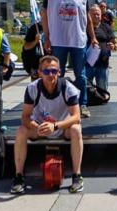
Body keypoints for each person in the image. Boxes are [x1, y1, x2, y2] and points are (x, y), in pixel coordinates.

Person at [11, 55, 83, 194]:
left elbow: (76, 116)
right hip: (40, 128)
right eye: (46, 71)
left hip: (62, 128)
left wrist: (55, 126)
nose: (50, 75)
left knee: (76, 129)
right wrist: (37, 127)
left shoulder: (68, 88)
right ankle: (18, 176)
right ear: (39, 73)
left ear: (59, 72)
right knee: (21, 131)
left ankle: (77, 176)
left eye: (54, 71)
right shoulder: (32, 88)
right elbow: (25, 117)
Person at [42, 0, 97, 119]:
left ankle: (82, 104)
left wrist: (92, 37)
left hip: (78, 40)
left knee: (81, 75)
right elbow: (44, 15)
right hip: (58, 40)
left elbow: (87, 18)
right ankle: (59, 105)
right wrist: (47, 37)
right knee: (57, 74)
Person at [85, 4, 117, 92]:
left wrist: (113, 46)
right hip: (87, 65)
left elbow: (116, 43)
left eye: (98, 14)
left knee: (103, 92)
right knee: (86, 91)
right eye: (93, 14)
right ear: (88, 15)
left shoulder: (106, 27)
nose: (96, 16)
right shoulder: (84, 27)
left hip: (102, 64)